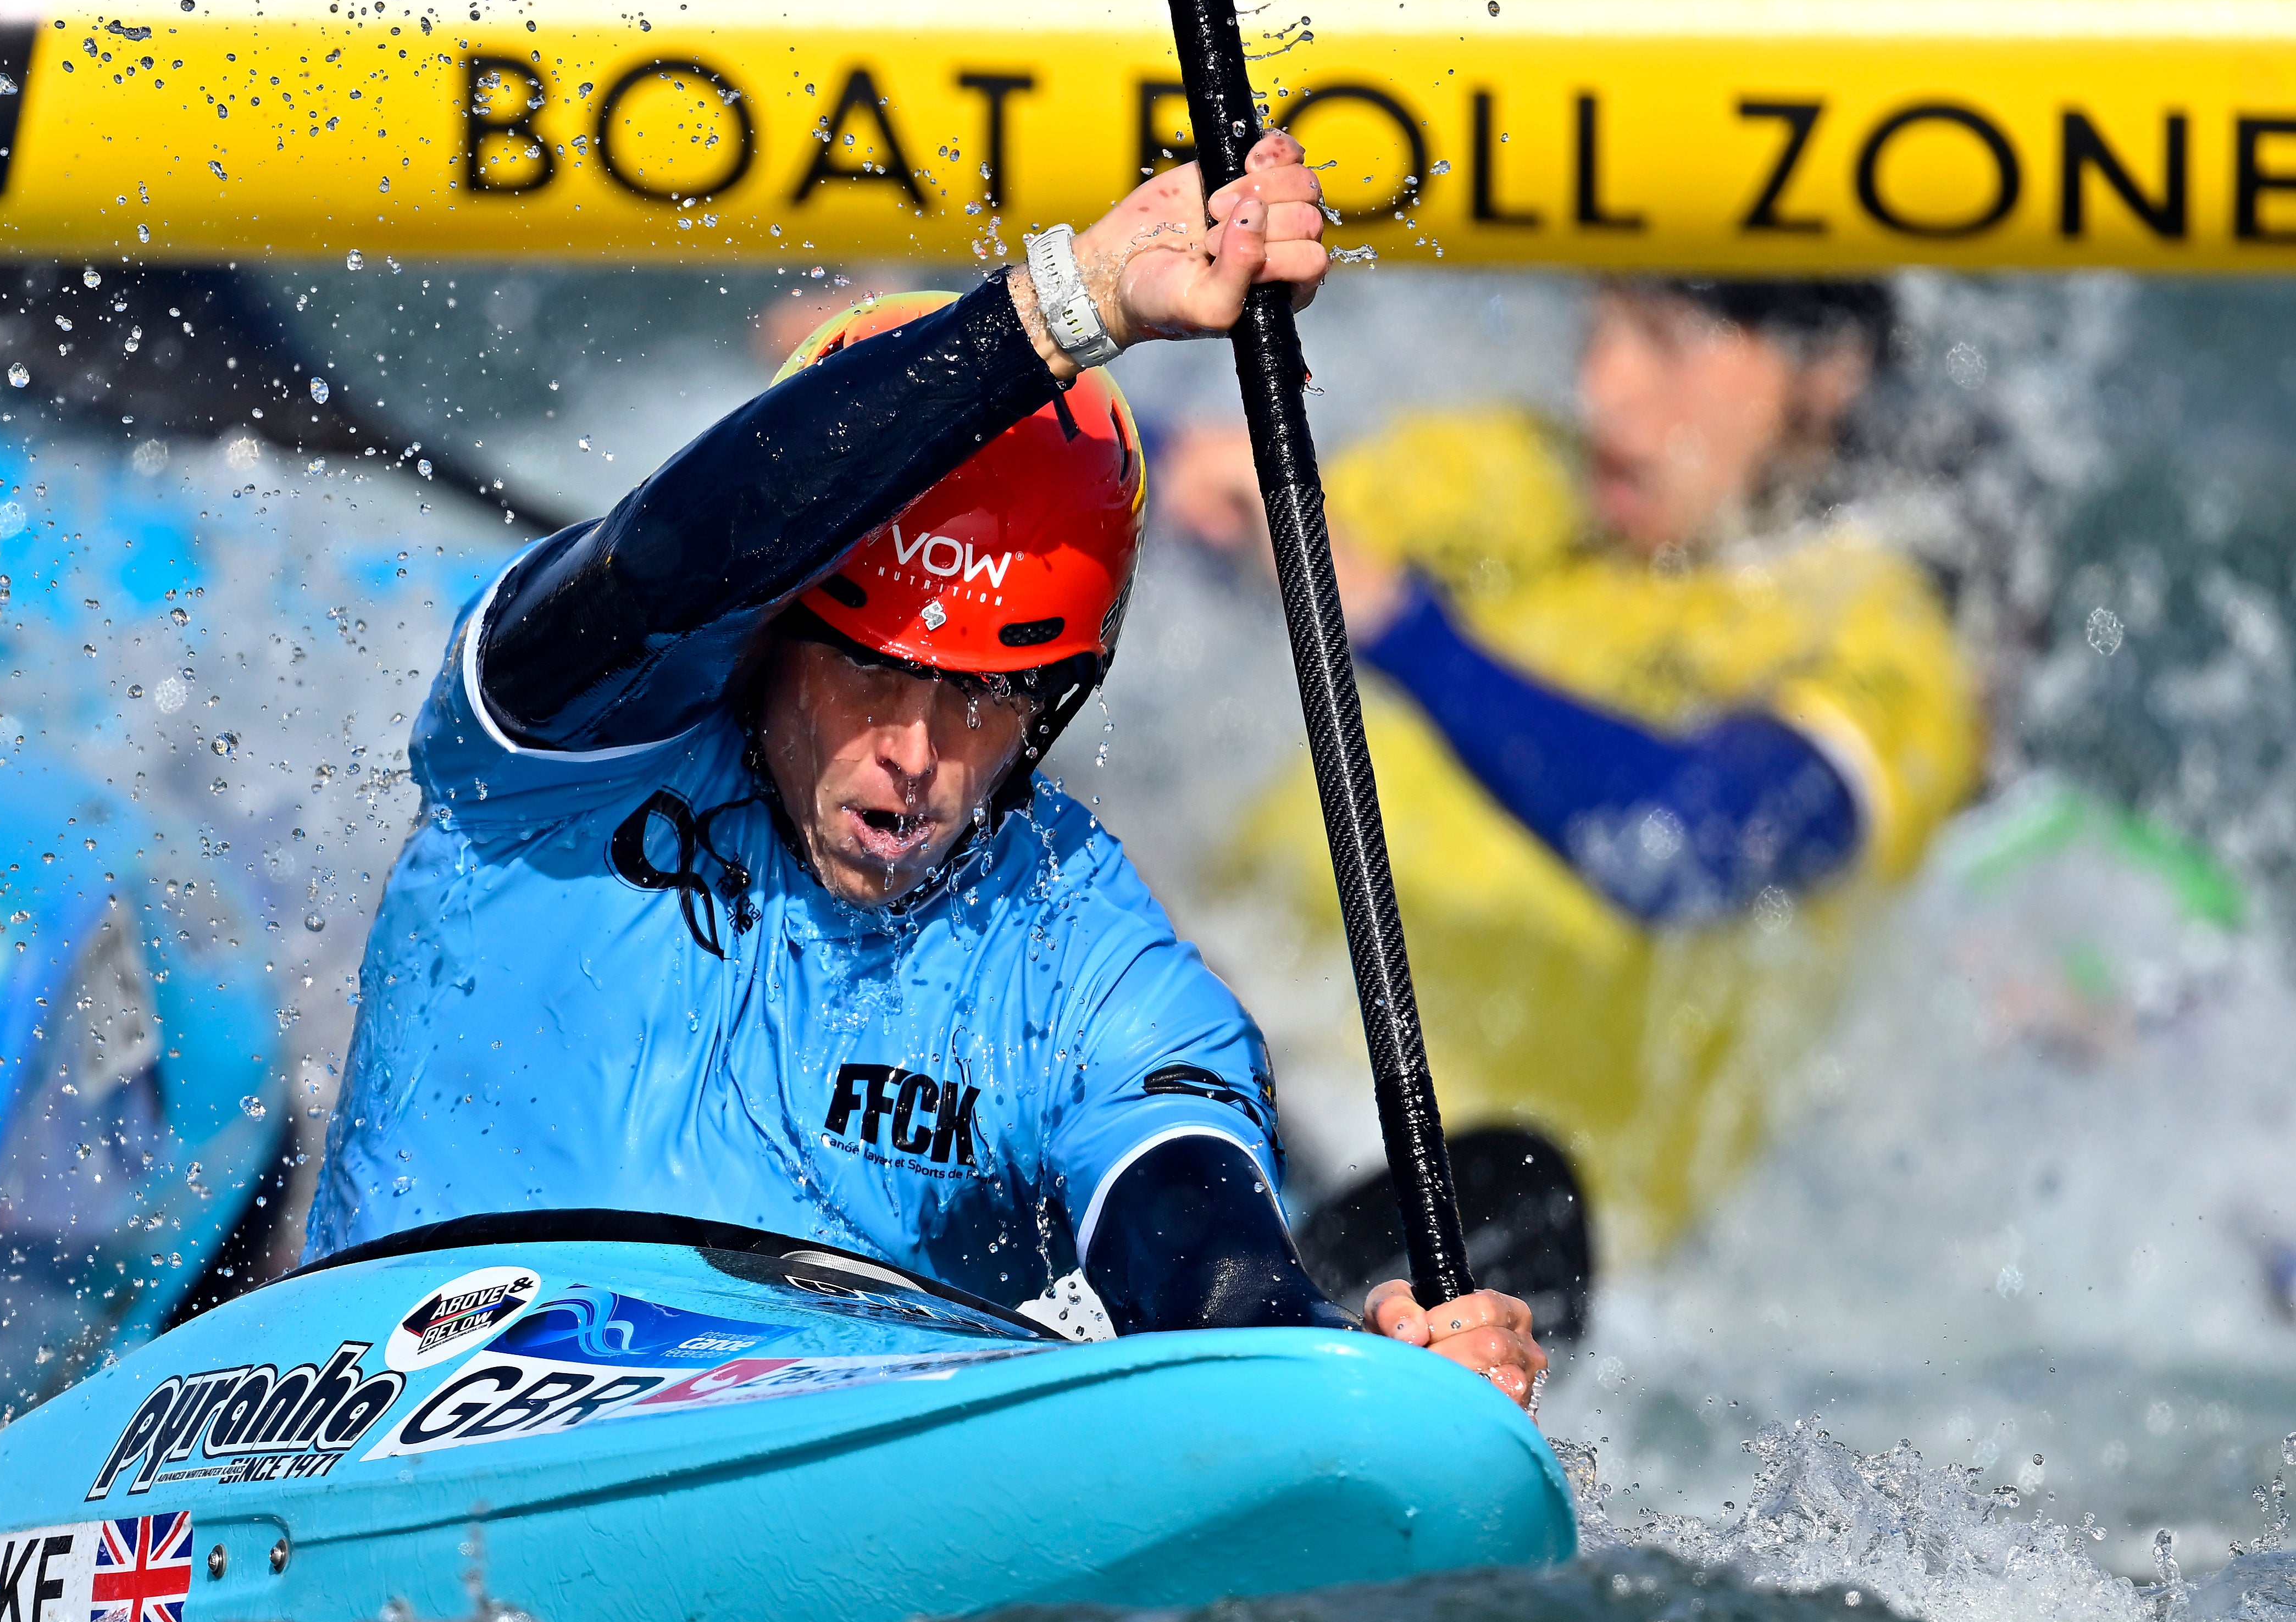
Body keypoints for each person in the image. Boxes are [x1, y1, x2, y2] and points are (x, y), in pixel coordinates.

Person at [300, 137, 1546, 1410]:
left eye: (984, 699)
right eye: (870, 678)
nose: (916, 757)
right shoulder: (564, 739)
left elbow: (1209, 1285)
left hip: (776, 1488)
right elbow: (676, 551)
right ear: (771, 637)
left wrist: (1341, 1374)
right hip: (354, 1404)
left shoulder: (1081, 954)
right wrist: (1077, 304)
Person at [1160, 279, 1983, 1316]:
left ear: (1825, 372)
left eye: (1665, 339)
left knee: (1502, 1185)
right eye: (1597, 327)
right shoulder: (1524, 473)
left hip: (1475, 1230)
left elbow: (1678, 847)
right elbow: (1188, 484)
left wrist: (1389, 619)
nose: (1604, 388)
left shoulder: (1887, 650)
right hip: (1219, 1068)